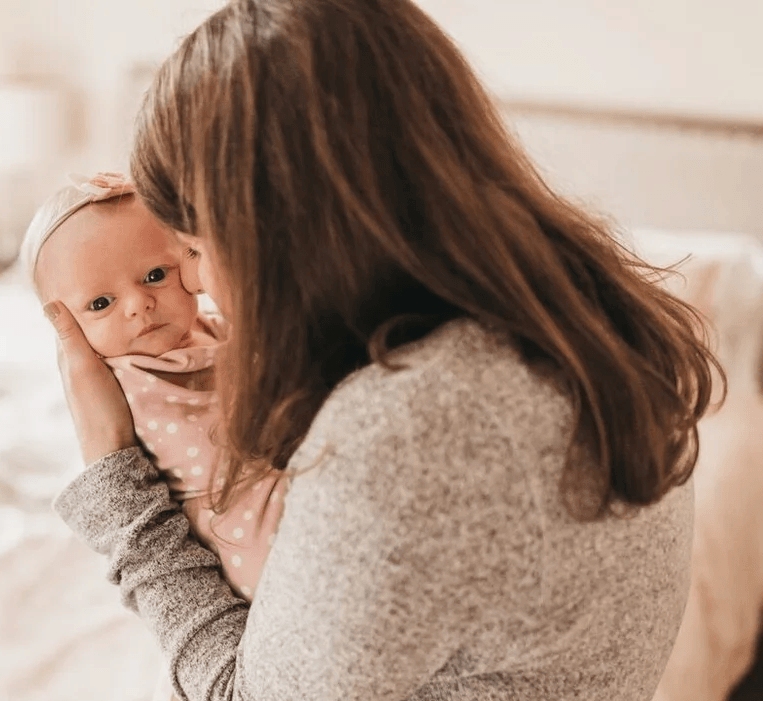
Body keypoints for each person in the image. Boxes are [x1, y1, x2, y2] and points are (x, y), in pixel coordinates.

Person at [41, 0, 723, 699]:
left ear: (284, 237)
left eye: (194, 247)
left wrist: (113, 474)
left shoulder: (410, 423)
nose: (201, 283)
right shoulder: (588, 322)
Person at [21, 172, 287, 605]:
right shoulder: (124, 382)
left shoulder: (210, 326)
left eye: (155, 274)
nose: (138, 304)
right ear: (65, 324)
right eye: (101, 303)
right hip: (233, 529)